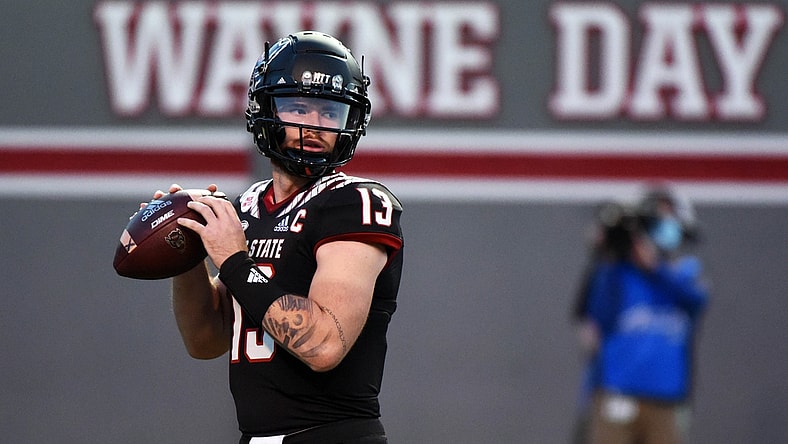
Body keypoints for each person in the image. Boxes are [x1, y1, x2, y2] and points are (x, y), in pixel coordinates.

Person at [147, 31, 404, 443]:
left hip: (330, 435)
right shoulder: (247, 205)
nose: (314, 126)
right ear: (264, 110)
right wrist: (189, 251)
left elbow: (323, 345)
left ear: (351, 121)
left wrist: (233, 261)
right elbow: (205, 339)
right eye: (298, 108)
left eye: (328, 112)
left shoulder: (355, 202)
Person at [571, 185, 709, 444]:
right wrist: (606, 253)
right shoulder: (615, 275)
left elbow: (697, 299)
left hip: (666, 398)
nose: (662, 226)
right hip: (617, 393)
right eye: (655, 218)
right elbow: (594, 315)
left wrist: (655, 268)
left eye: (668, 217)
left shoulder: (685, 273)